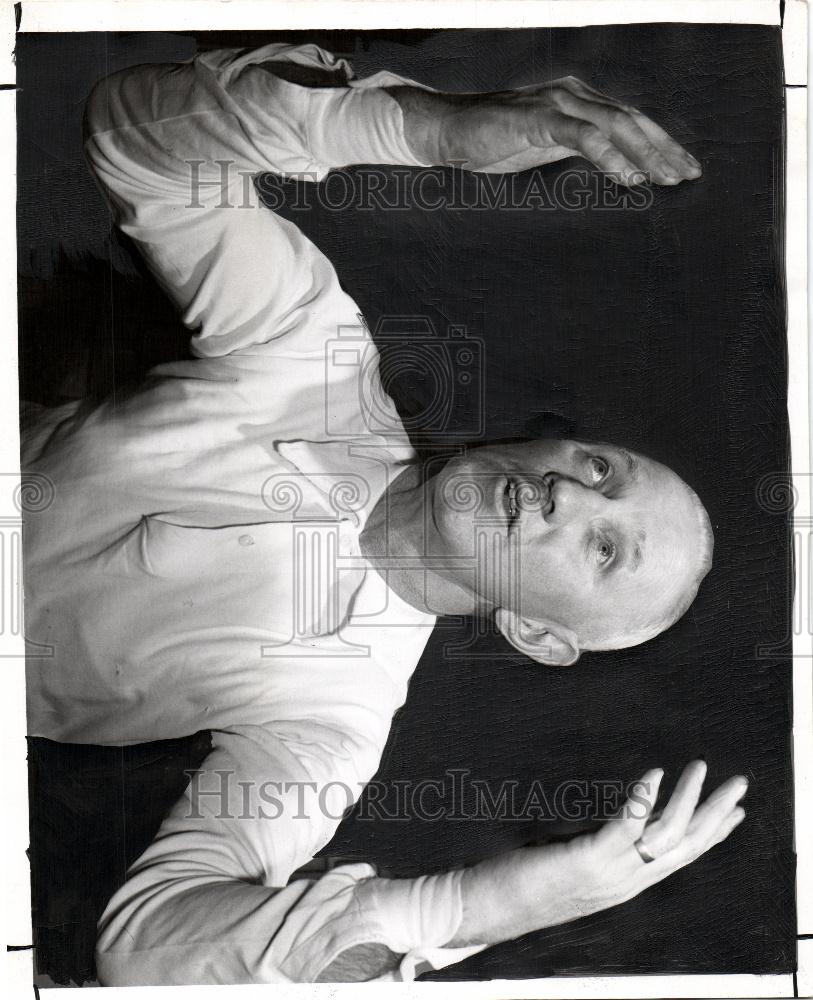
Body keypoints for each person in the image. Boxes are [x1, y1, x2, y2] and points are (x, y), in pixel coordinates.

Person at [22, 42, 748, 984]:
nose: (569, 496)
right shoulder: (310, 350)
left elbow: (142, 951)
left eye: (602, 549)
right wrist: (426, 130)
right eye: (599, 470)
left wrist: (472, 907)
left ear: (532, 633)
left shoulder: (326, 727)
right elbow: (132, 139)